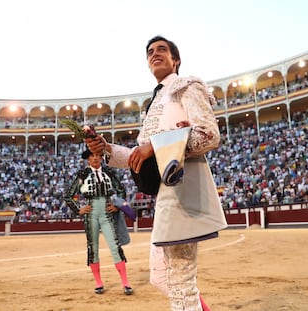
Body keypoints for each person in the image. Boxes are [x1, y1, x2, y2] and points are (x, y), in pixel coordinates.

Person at [87, 35, 227, 310]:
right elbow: (140, 155)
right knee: (162, 276)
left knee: (181, 284)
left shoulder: (186, 87)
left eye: (162, 49)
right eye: (150, 51)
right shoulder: (156, 102)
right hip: (167, 197)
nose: (155, 54)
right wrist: (106, 149)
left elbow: (209, 136)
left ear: (176, 59)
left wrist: (157, 144)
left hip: (184, 191)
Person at [64, 146, 133, 296]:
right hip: (91, 214)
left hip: (107, 214)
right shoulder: (83, 174)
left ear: (102, 157)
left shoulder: (109, 172)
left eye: (97, 155)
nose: (95, 158)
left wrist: (116, 205)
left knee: (115, 247)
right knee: (93, 248)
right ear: (88, 159)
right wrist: (78, 210)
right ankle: (98, 283)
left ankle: (125, 283)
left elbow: (121, 190)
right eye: (92, 156)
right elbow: (68, 196)